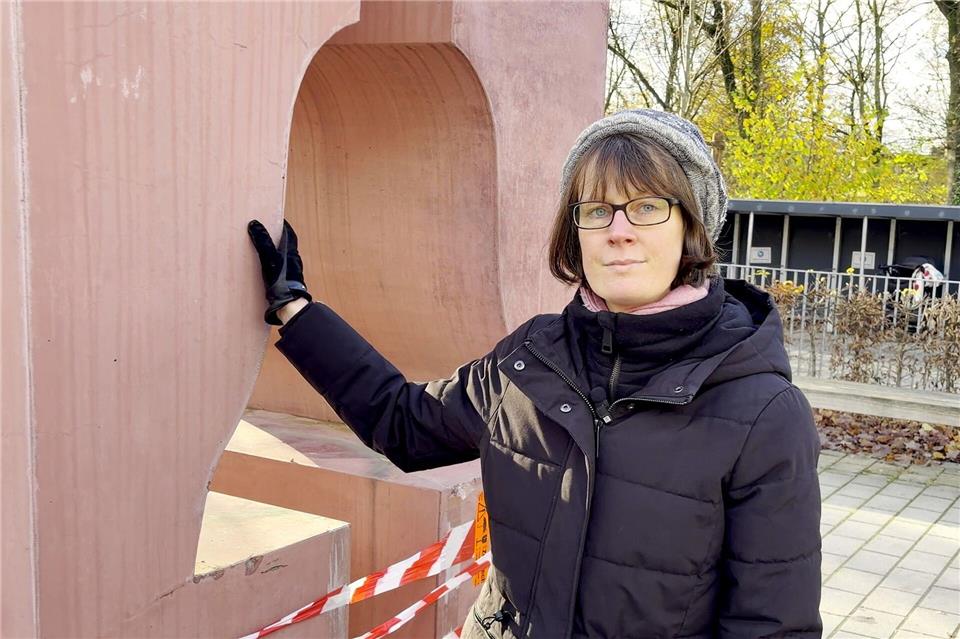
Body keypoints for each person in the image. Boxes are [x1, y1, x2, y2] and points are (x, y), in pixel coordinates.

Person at [247, 109, 822, 639]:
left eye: (647, 206)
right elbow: (404, 423)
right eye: (597, 210)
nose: (618, 230)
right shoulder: (530, 359)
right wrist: (297, 311)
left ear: (692, 228)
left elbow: (772, 624)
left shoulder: (763, 412)